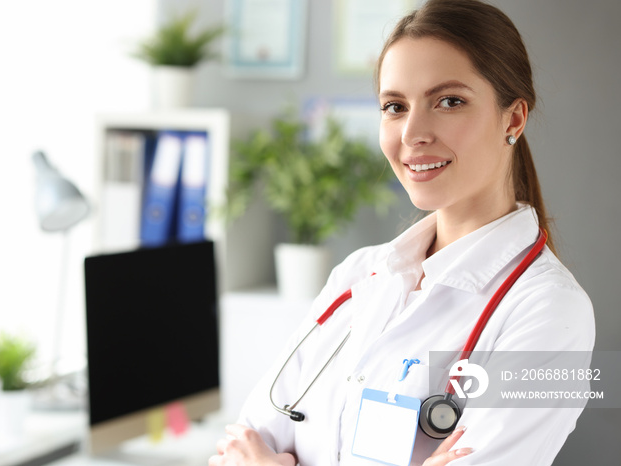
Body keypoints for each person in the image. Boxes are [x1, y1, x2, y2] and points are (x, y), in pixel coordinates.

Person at [210, 0, 595, 464]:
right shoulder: (356, 276)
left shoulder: (551, 314)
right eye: (395, 106)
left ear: (512, 119)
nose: (412, 132)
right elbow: (239, 447)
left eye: (448, 101)